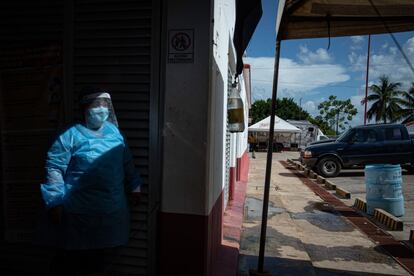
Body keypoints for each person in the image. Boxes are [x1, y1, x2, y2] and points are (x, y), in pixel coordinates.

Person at [38, 88, 142, 275]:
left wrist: (135, 186)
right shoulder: (69, 135)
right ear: (85, 108)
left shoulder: (115, 133)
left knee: (98, 260)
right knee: (71, 259)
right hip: (79, 212)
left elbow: (127, 162)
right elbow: (54, 167)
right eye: (96, 105)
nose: (101, 109)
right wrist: (54, 201)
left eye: (104, 105)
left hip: (110, 209)